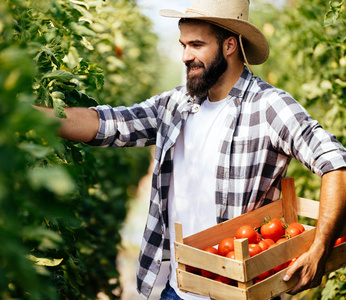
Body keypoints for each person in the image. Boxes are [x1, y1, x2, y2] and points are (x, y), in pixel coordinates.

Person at [34, 0, 346, 299]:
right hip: (175, 290)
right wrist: (29, 115)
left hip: (240, 292)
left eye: (196, 45)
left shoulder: (269, 107)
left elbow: (336, 163)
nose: (185, 56)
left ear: (229, 46)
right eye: (183, 45)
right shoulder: (176, 104)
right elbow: (107, 124)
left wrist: (320, 248)